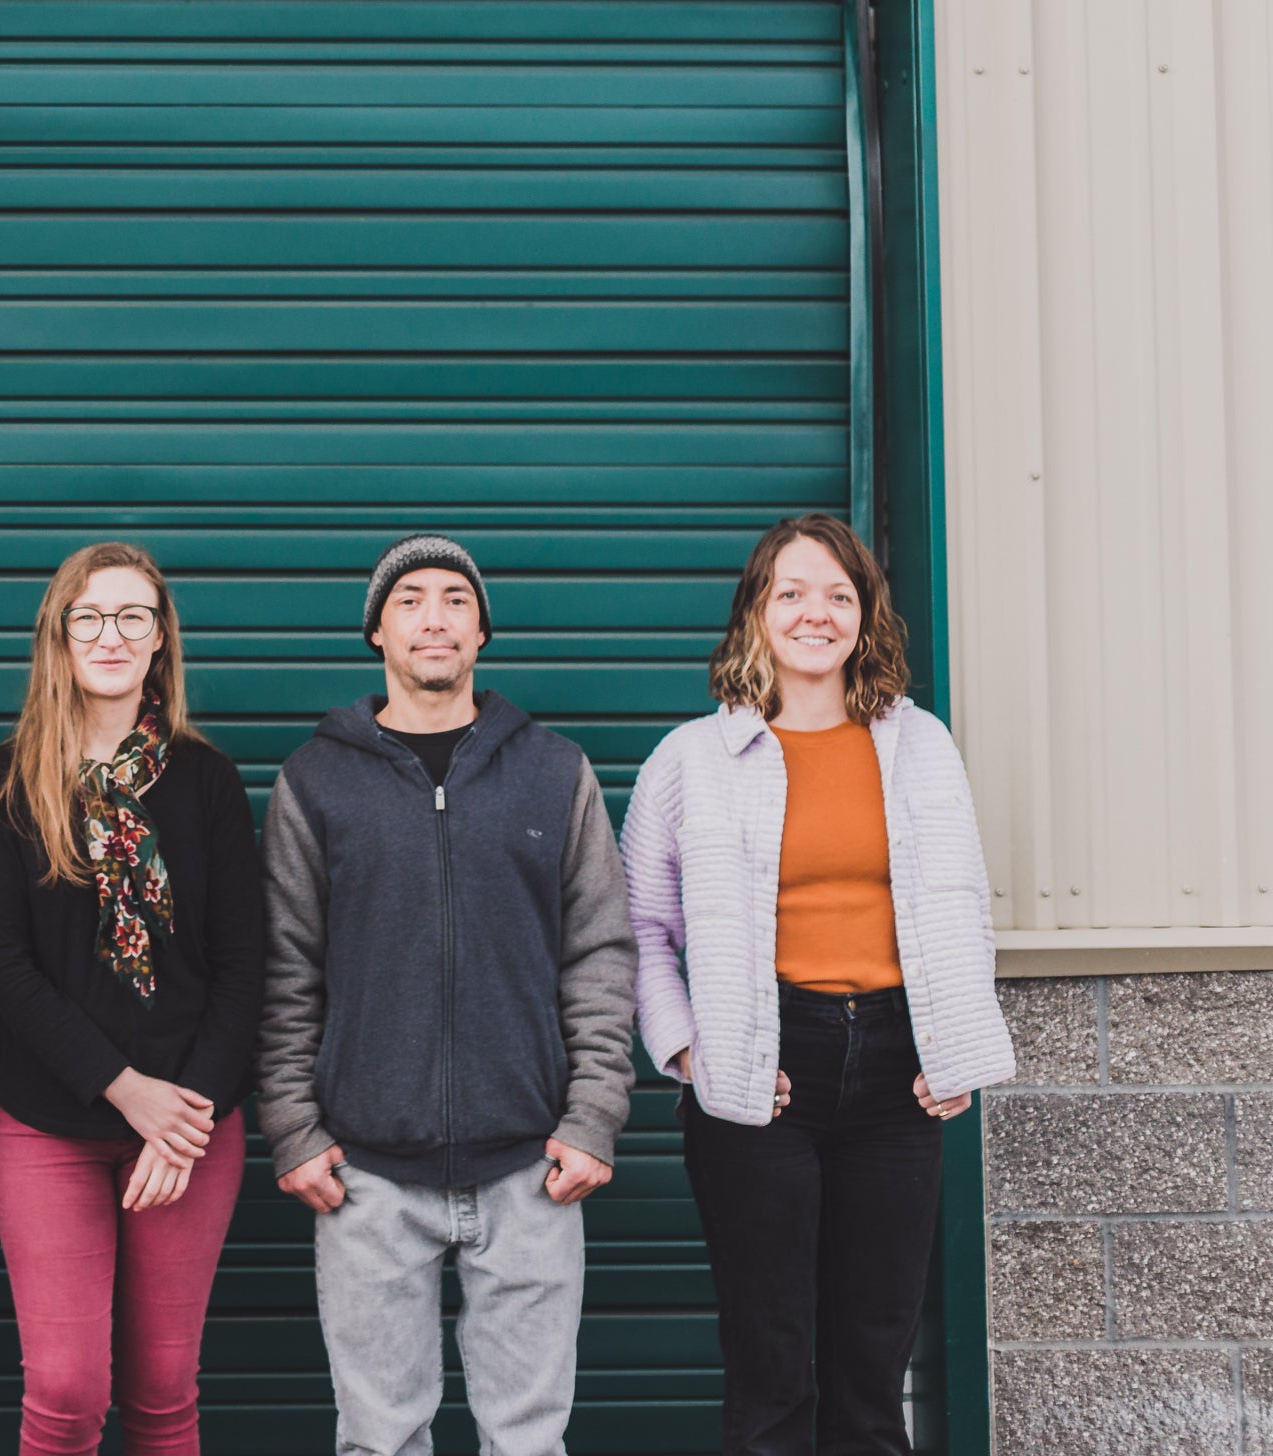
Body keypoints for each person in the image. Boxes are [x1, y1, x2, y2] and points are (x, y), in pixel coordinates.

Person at [621, 514, 1014, 1456]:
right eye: (791, 592)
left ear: (864, 619)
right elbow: (641, 926)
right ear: (756, 615)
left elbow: (961, 902)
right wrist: (687, 1047)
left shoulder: (921, 746)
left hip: (896, 1073)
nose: (816, 613)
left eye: (840, 594)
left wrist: (955, 1046)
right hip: (762, 1066)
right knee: (772, 1356)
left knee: (874, 1364)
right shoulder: (690, 761)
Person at [255, 533, 637, 1456]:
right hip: (367, 1179)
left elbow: (600, 955)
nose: (436, 617)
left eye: (456, 600)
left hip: (531, 1168)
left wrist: (592, 1119)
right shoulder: (317, 781)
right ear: (377, 632)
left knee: (528, 1442)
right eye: (412, 599)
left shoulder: (555, 770)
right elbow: (286, 969)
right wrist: (295, 1131)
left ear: (482, 631)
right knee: (379, 1440)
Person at [0, 543, 264, 1456]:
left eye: (135, 616)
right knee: (65, 1391)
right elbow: (2, 966)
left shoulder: (207, 781)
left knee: (165, 1392)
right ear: (58, 637)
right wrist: (124, 1088)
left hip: (191, 1125)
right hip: (50, 1120)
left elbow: (246, 964)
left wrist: (188, 1112)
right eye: (88, 616)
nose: (111, 635)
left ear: (161, 640)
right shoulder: (7, 779)